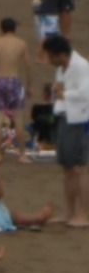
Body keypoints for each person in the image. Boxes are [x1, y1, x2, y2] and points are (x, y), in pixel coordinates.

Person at [43, 34, 89, 227]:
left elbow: (86, 92)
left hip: (81, 118)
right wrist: (57, 91)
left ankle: (84, 214)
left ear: (60, 54)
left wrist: (64, 93)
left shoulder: (81, 66)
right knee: (67, 167)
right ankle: (69, 211)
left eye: (51, 56)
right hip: (65, 116)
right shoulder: (62, 68)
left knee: (83, 168)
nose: (49, 60)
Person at [0, 18, 32, 161]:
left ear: (2, 29)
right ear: (14, 29)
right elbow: (29, 66)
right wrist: (29, 85)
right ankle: (22, 154)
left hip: (0, 79)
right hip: (14, 80)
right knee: (18, 118)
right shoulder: (21, 43)